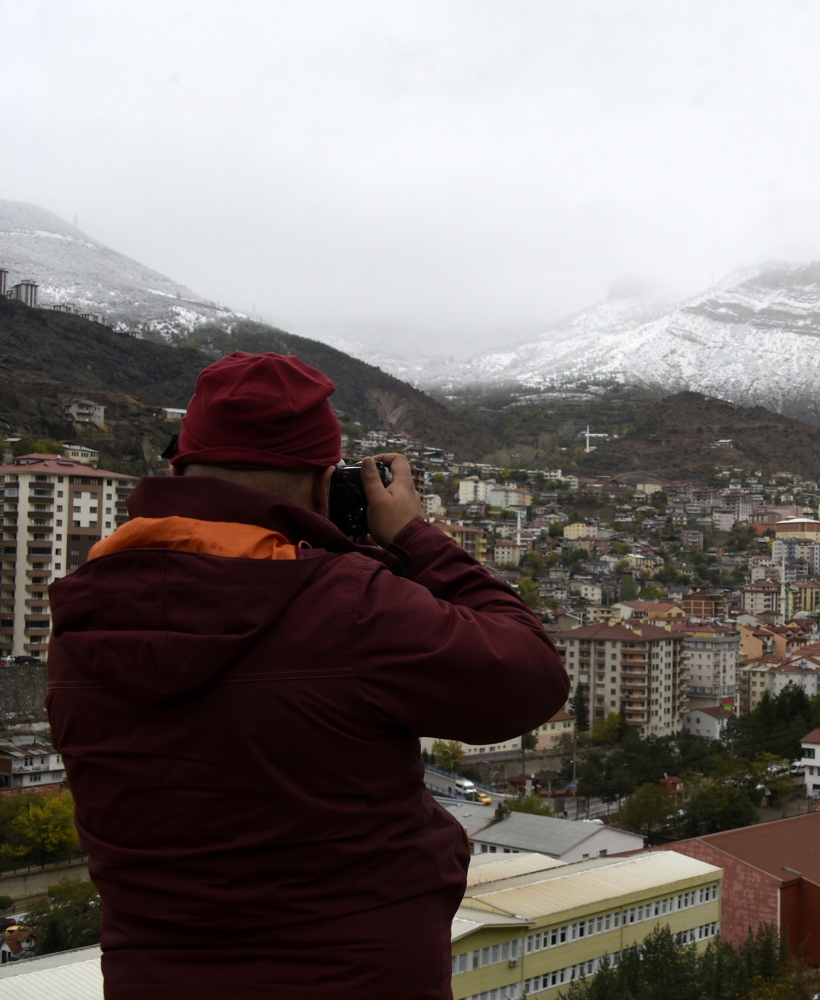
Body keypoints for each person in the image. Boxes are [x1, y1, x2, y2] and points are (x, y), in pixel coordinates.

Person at [48, 352, 570, 999]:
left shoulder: (84, 615)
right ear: (326, 486)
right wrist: (413, 534)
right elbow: (533, 676)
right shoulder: (349, 607)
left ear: (179, 468)